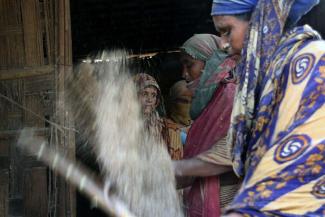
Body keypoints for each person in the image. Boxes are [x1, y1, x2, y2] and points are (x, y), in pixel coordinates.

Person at [211, 0, 325, 216]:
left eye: (227, 31)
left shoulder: (314, 62)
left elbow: (304, 161)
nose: (223, 44)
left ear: (260, 22)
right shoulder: (263, 83)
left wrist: (247, 210)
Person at [173, 34, 240, 217]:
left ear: (211, 63)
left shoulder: (232, 95)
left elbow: (229, 148)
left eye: (189, 64)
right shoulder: (211, 102)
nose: (184, 74)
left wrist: (174, 170)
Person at [165, 80, 193, 160]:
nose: (189, 105)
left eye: (193, 100)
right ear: (172, 103)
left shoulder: (203, 124)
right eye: (184, 101)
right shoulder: (163, 126)